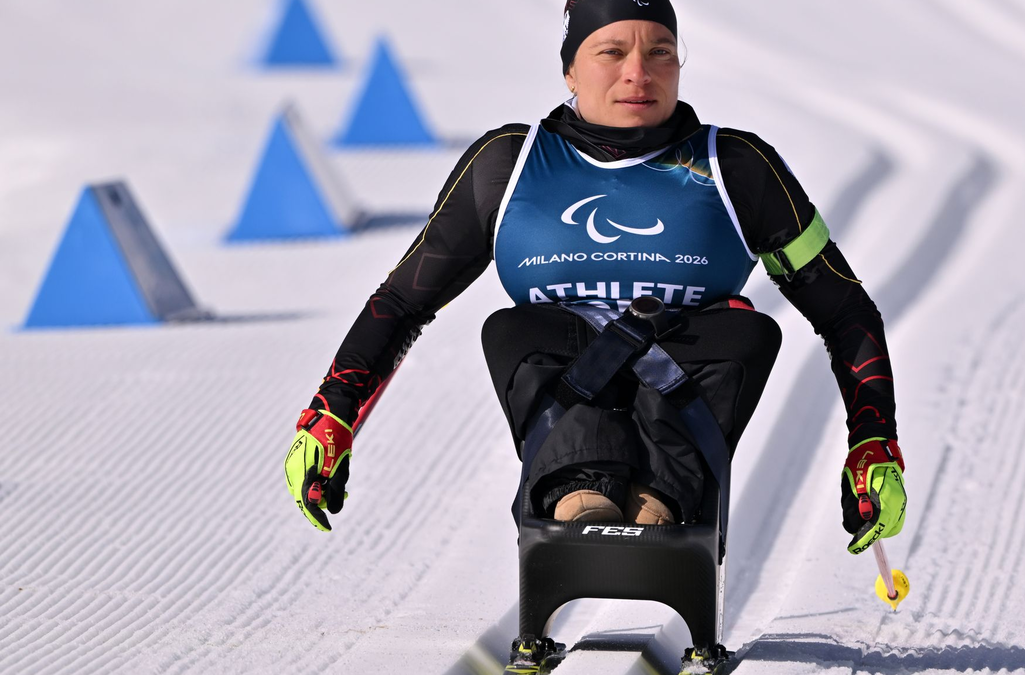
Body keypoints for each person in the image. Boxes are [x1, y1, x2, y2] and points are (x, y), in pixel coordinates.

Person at [284, 0, 907, 558]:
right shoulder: (507, 165)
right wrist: (330, 416)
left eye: (661, 52)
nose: (639, 71)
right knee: (515, 328)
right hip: (563, 406)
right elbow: (402, 302)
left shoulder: (739, 167)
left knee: (748, 333)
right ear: (570, 71)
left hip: (689, 416)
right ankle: (579, 495)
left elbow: (844, 312)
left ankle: (660, 506)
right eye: (611, 51)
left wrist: (873, 440)